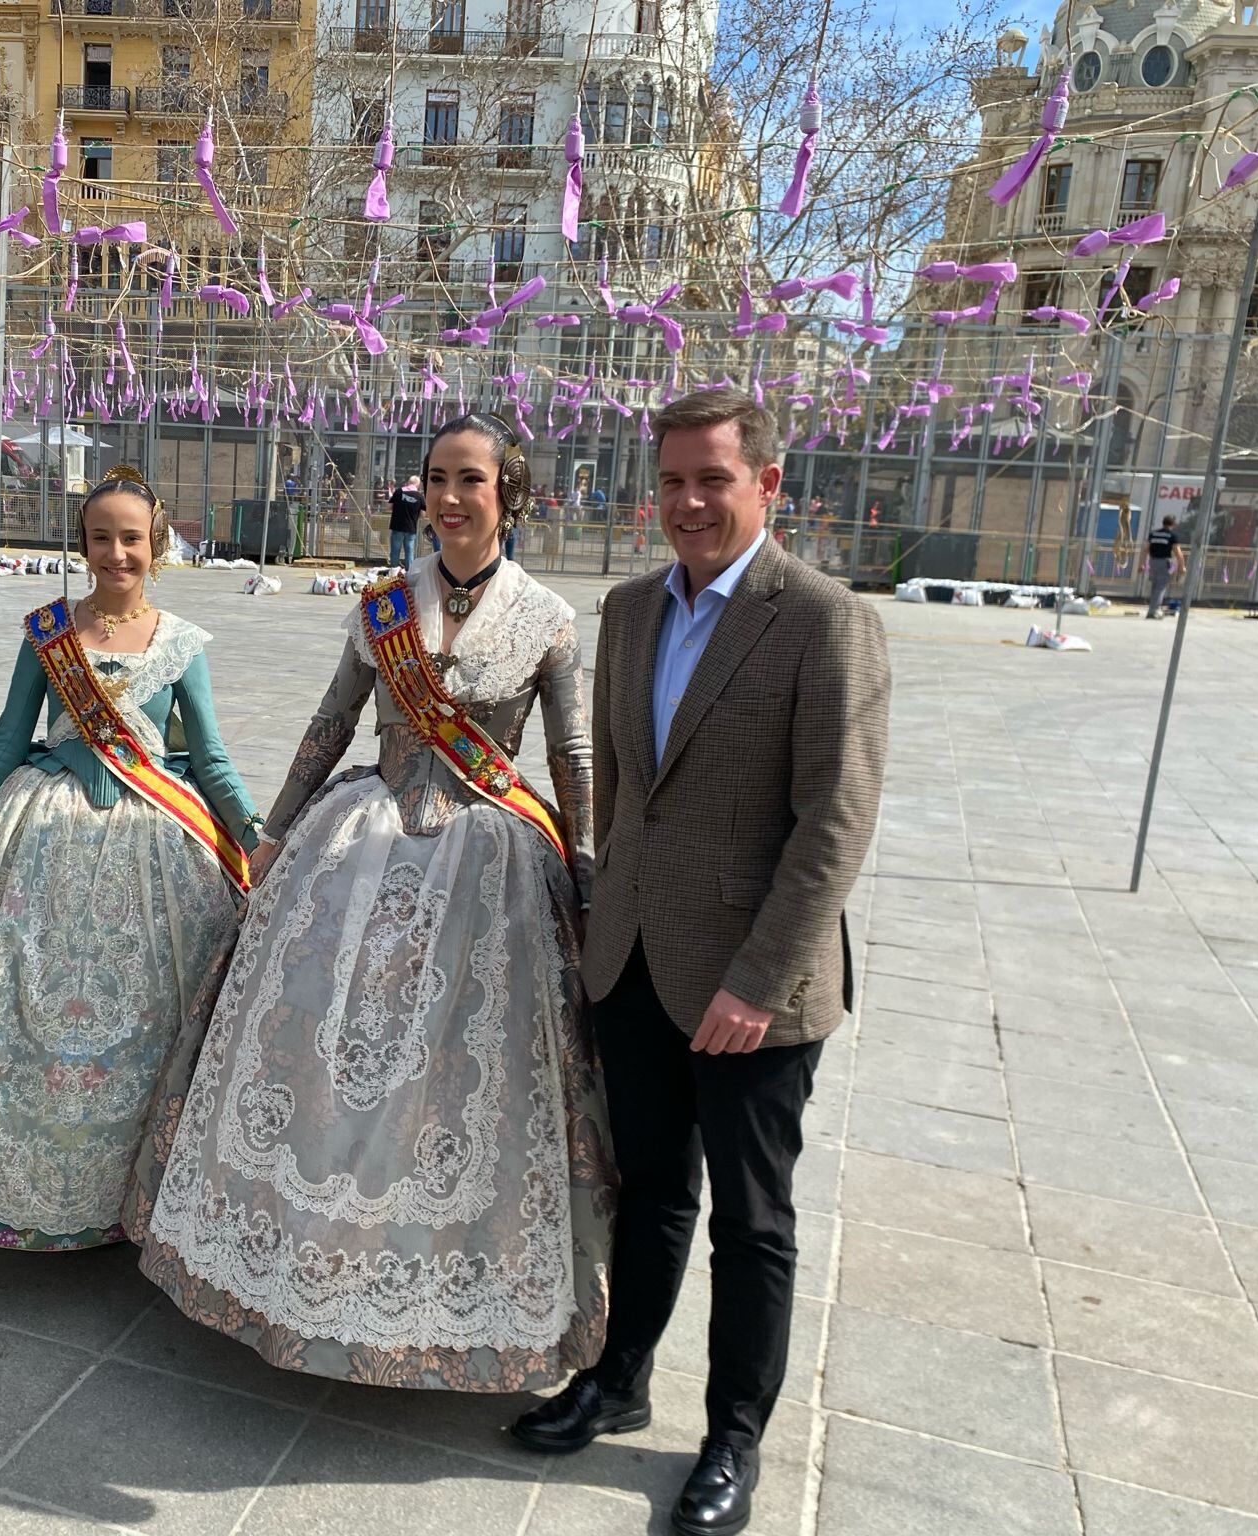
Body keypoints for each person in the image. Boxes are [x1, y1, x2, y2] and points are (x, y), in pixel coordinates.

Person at [130, 412, 614, 1391]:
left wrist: (588, 861)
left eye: (468, 480)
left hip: (489, 859)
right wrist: (271, 834)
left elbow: (567, 754)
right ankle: (284, 1266)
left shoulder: (547, 620)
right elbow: (328, 724)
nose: (446, 496)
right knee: (318, 1045)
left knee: (457, 1066)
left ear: (506, 497)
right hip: (358, 843)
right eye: (434, 478)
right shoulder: (384, 606)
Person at [512, 390, 889, 1536]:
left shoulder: (821, 620)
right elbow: (622, 790)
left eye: (711, 480)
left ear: (766, 486)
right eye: (671, 481)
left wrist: (755, 981)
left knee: (752, 1222)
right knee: (649, 1190)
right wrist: (601, 918)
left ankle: (731, 1439)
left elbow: (835, 820)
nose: (686, 502)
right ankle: (619, 1381)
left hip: (750, 990)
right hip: (631, 963)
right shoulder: (627, 613)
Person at [0, 465, 260, 1248]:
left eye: (130, 539)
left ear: (155, 544)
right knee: (4, 998)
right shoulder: (48, 633)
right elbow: (6, 739)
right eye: (100, 538)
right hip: (38, 835)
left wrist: (253, 839)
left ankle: (133, 1192)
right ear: (83, 545)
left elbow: (209, 759)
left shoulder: (183, 645)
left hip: (151, 843)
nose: (116, 554)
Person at [1146, 513, 1185, 618]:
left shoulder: (1153, 534)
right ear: (1173, 524)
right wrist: (1182, 566)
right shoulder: (1172, 536)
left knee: (1155, 586)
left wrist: (1141, 563)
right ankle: (1154, 611)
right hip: (1164, 562)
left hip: (1152, 561)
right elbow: (1178, 552)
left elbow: (1146, 549)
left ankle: (1151, 609)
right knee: (1161, 587)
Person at [387, 473, 424, 570]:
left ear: (408, 482)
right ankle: (409, 573)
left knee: (395, 550)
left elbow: (389, 507)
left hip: (397, 526)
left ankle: (394, 571)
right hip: (411, 528)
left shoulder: (399, 492)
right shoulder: (419, 496)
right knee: (409, 551)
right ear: (418, 485)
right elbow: (423, 515)